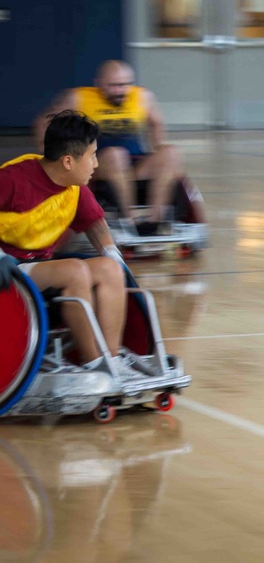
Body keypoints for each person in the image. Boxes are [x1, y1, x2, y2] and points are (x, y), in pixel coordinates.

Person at [0, 111, 146, 380]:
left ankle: (112, 360)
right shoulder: (12, 179)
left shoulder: (74, 186)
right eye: (91, 155)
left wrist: (112, 253)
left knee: (110, 268)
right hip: (9, 270)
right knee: (74, 270)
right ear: (68, 161)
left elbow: (95, 223)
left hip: (38, 268)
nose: (96, 163)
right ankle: (93, 364)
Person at [34, 60, 183, 233]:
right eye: (114, 86)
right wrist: (50, 157)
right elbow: (43, 122)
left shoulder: (143, 97)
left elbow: (156, 123)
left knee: (171, 152)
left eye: (126, 84)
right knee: (116, 155)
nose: (121, 91)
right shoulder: (79, 97)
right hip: (98, 166)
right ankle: (130, 218)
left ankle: (154, 221)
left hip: (134, 165)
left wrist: (158, 147)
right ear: (98, 83)